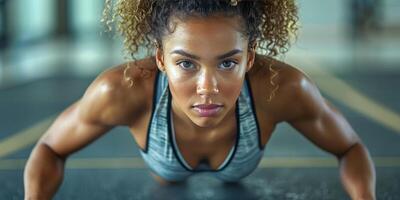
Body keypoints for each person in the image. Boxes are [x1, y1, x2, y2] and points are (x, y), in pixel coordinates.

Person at [24, 0, 376, 199]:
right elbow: (50, 149)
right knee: (169, 179)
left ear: (249, 58)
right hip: (165, 165)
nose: (207, 87)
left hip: (237, 164)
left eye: (227, 62)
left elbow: (350, 148)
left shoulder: (282, 87)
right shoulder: (121, 90)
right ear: (160, 59)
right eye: (186, 63)